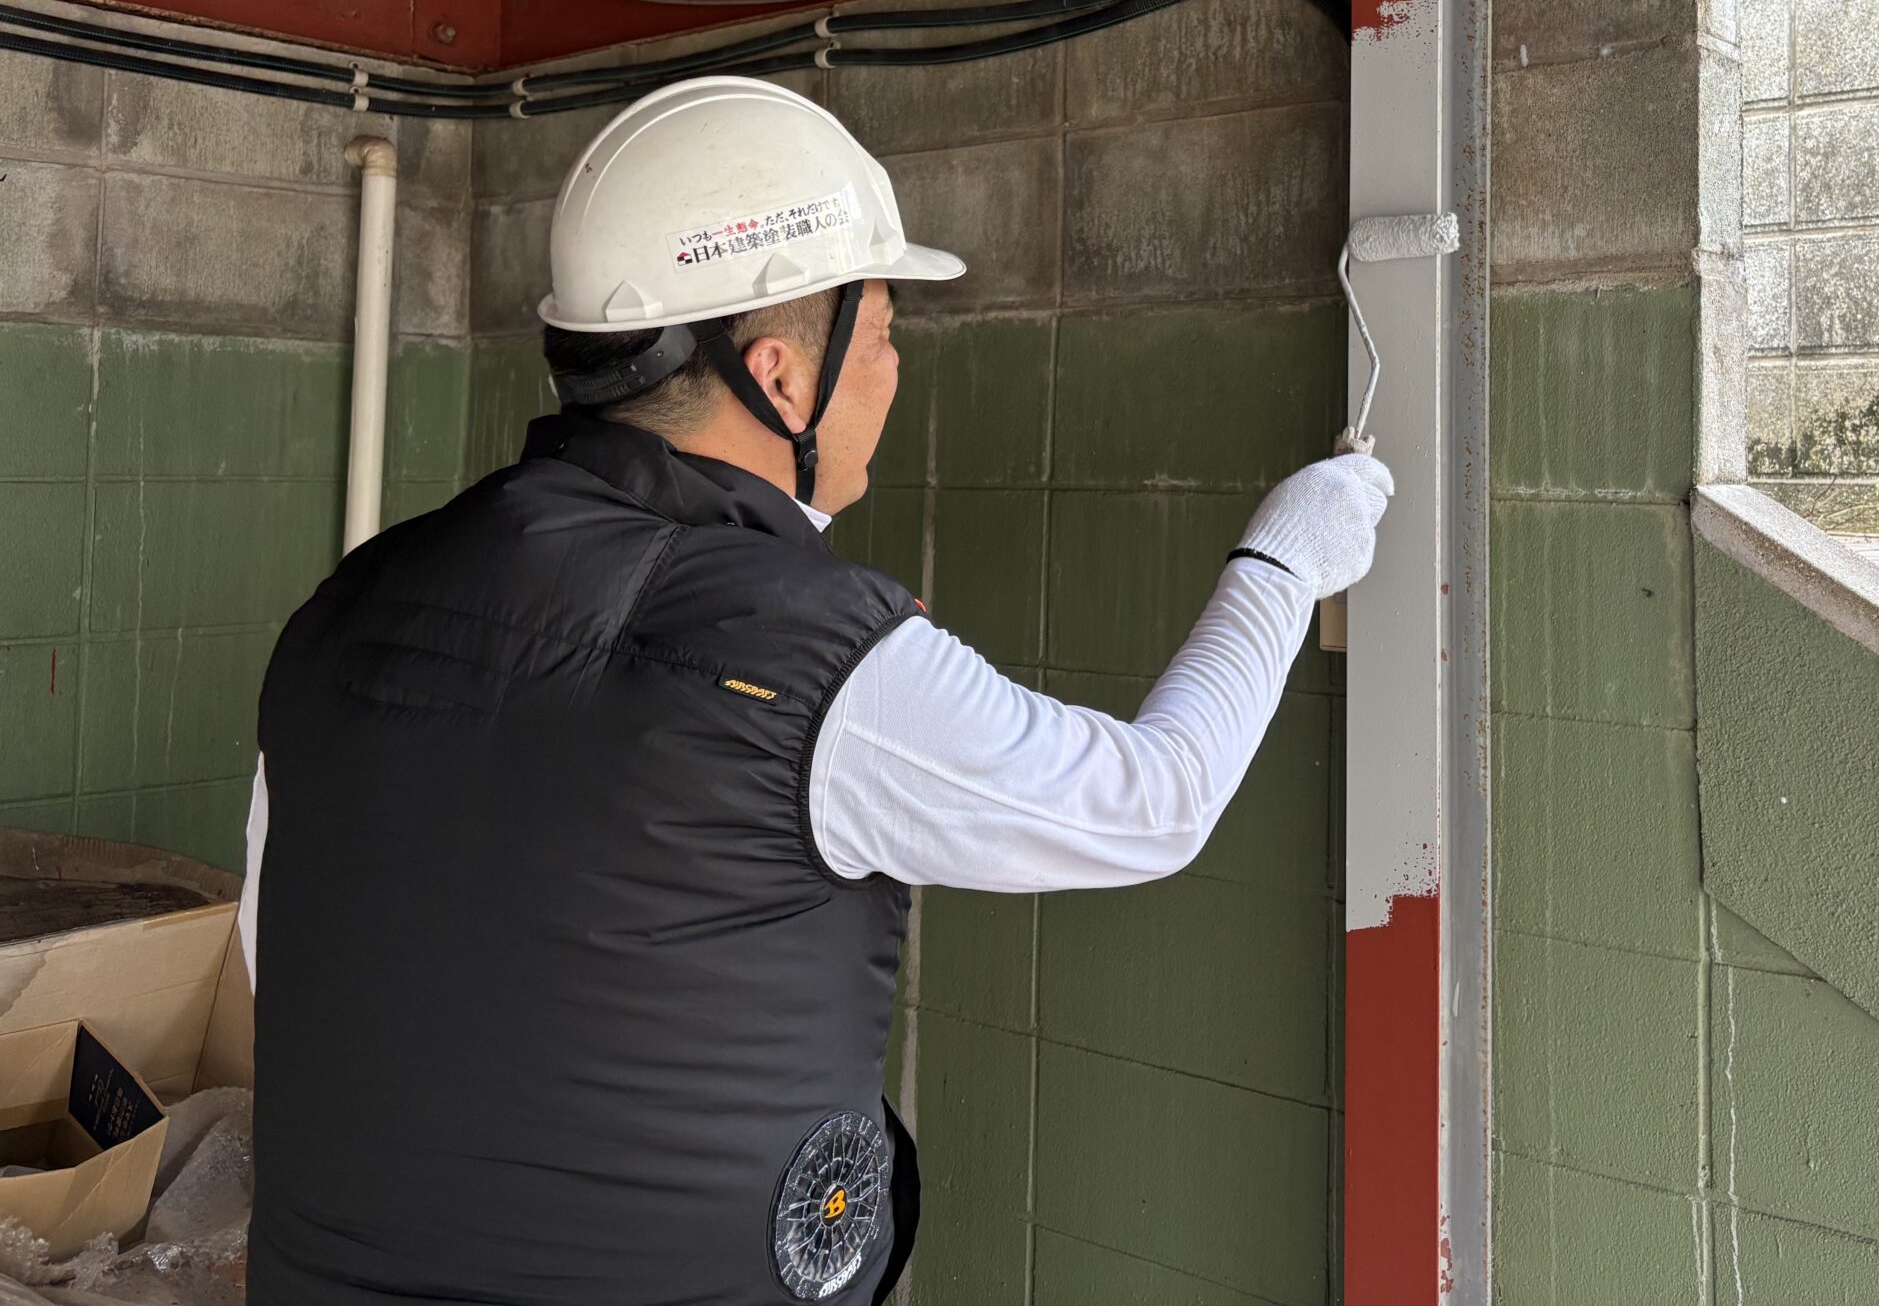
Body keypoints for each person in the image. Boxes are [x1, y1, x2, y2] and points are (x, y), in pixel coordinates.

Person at [240, 75, 1391, 1305]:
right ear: (782, 377)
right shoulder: (813, 653)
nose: (893, 371)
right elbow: (1151, 802)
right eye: (883, 333)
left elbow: (278, 942)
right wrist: (1285, 562)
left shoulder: (353, 600)